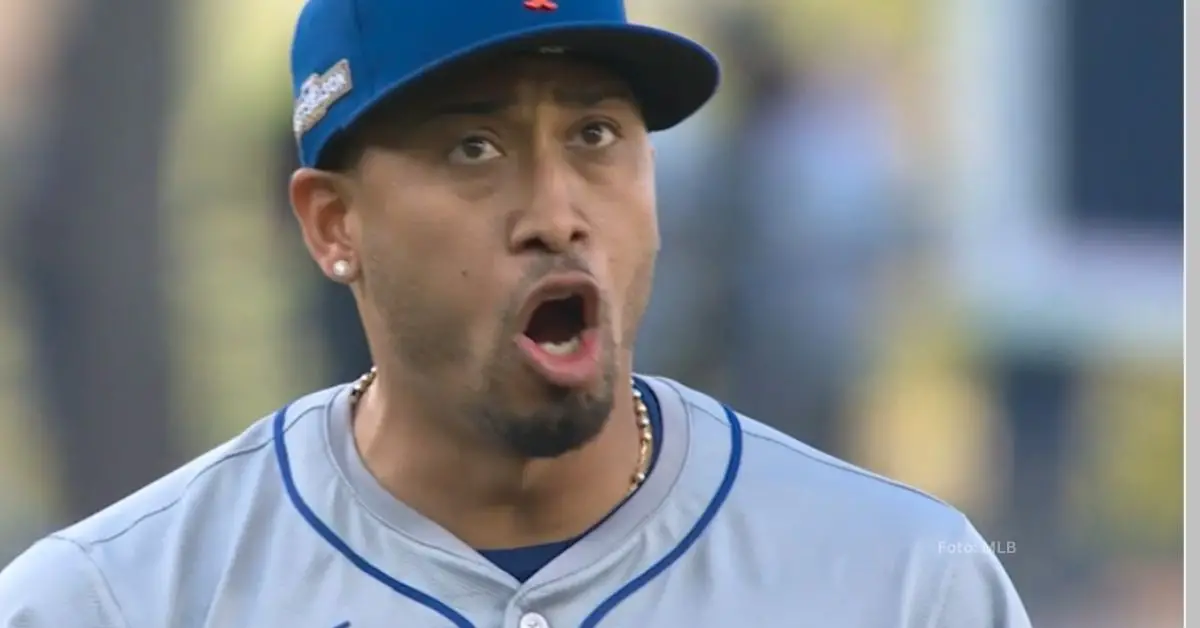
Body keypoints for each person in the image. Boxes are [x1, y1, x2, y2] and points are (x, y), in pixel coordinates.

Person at [0, 1, 1032, 626]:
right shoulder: (115, 601)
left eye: (595, 134)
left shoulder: (896, 582)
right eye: (474, 150)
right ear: (332, 223)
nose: (555, 215)